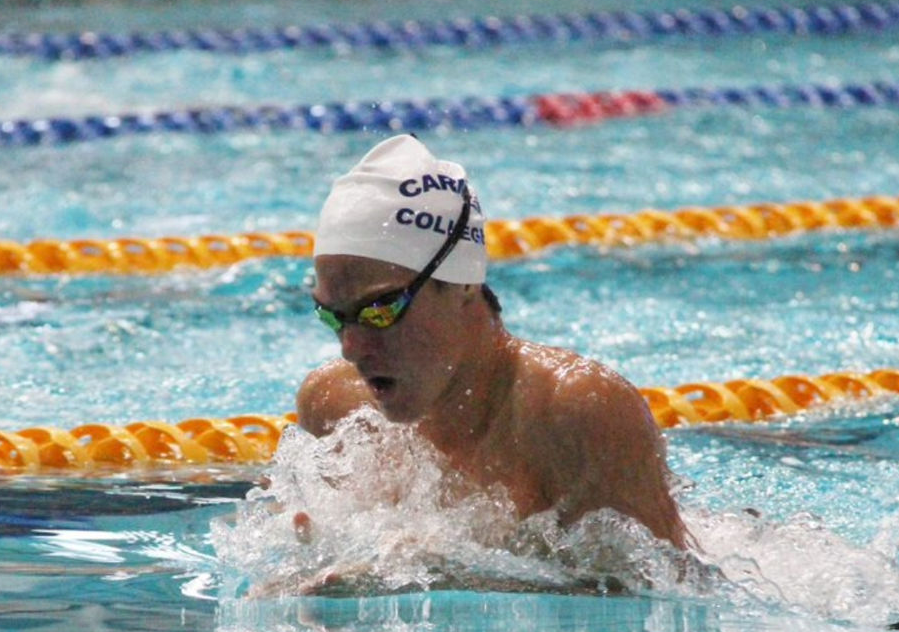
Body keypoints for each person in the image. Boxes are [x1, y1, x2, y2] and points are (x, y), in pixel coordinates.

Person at [295, 134, 689, 550]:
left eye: (381, 308)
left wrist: (443, 576)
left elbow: (663, 594)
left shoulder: (576, 412)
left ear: (464, 282)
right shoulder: (333, 406)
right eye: (332, 316)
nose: (350, 348)